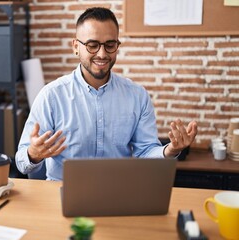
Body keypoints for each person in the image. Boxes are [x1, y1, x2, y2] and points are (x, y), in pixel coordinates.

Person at [15, 7, 197, 181]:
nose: (102, 54)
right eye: (92, 45)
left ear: (117, 46)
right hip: (61, 192)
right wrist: (33, 154)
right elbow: (22, 163)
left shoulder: (137, 96)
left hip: (117, 192)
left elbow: (146, 152)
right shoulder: (51, 96)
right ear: (75, 46)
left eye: (110, 45)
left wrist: (171, 150)